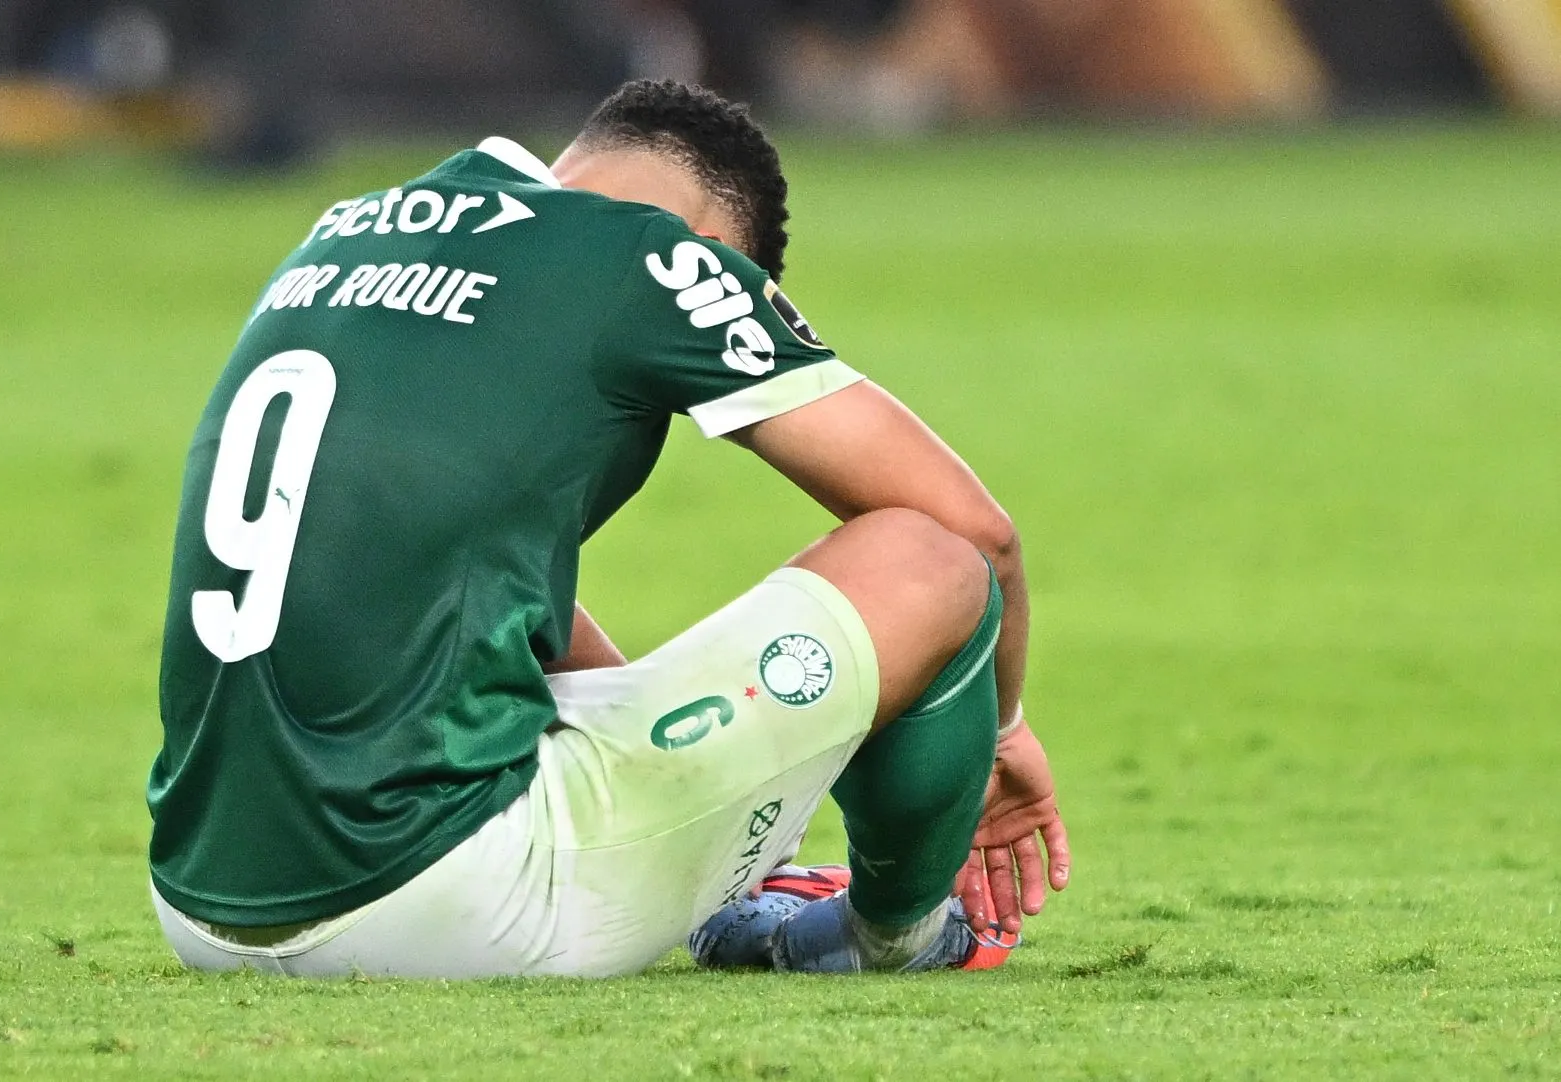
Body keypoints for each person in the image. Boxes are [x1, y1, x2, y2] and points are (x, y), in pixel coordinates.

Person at [147, 79, 1069, 978]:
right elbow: (977, 534)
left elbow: (446, 565)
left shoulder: (345, 231)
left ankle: (698, 871)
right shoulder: (648, 257)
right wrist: (996, 730)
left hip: (197, 894)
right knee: (928, 561)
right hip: (435, 896)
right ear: (714, 251)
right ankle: (896, 937)